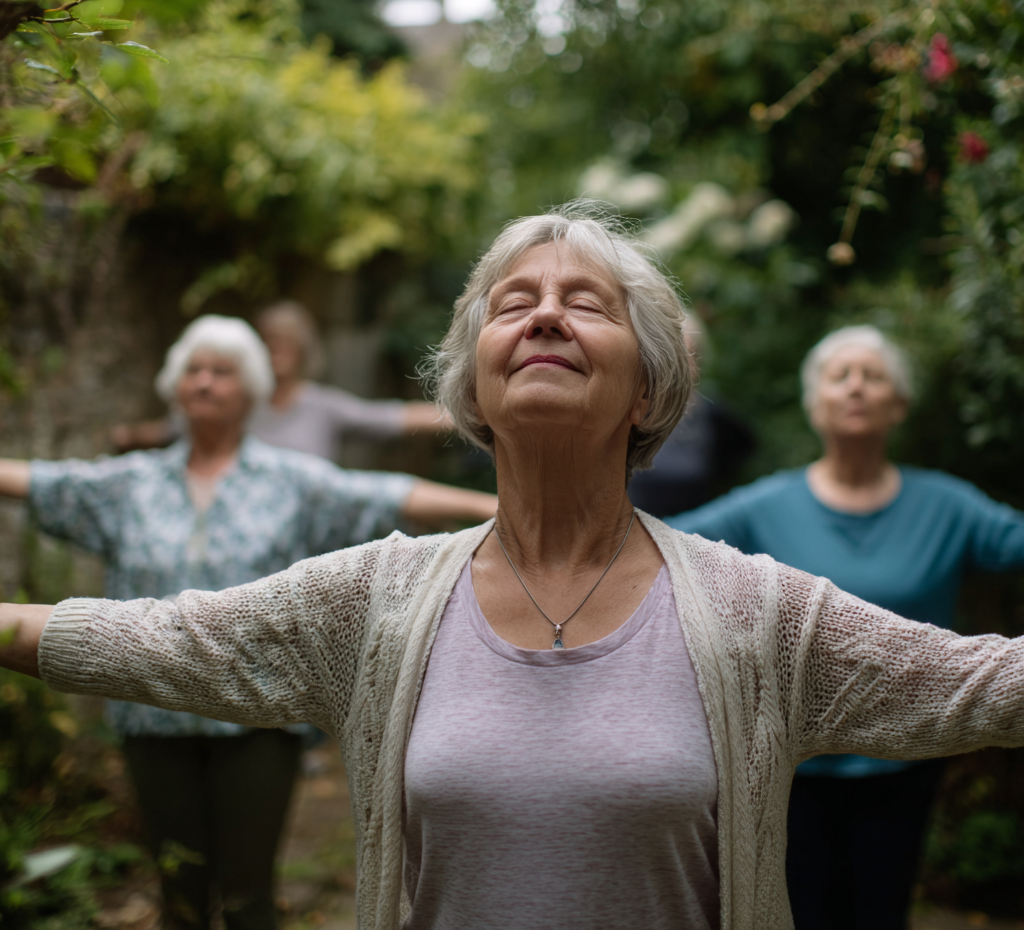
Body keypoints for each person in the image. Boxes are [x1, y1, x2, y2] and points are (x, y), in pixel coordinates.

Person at [4, 212, 1024, 930]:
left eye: (585, 303)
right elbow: (165, 638)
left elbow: (981, 681)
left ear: (647, 388)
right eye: (515, 302)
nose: (543, 316)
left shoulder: (755, 611)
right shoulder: (375, 601)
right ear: (475, 387)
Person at [0, 314, 495, 930]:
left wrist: (500, 509)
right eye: (193, 370)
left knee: (247, 897)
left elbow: (391, 496)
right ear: (175, 386)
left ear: (252, 390)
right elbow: (39, 483)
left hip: (258, 712)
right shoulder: (128, 484)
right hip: (149, 711)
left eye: (222, 371)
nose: (205, 382)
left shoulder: (289, 481)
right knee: (178, 892)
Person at [664, 324, 1024, 930]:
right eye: (840, 376)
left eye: (873, 376)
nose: (856, 387)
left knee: (881, 910)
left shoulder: (948, 506)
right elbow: (659, 541)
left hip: (906, 758)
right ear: (816, 403)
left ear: (898, 404)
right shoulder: (765, 506)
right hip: (790, 762)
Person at [111, 300, 451, 460]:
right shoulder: (234, 405)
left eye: (289, 341)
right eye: (270, 340)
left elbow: (392, 417)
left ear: (304, 350)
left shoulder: (323, 407)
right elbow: (171, 428)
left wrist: (464, 417)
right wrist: (126, 437)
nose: (279, 349)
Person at [628, 311, 755, 516]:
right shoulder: (625, 412)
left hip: (691, 529)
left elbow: (743, 447)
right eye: (674, 356)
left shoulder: (712, 416)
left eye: (690, 356)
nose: (683, 367)